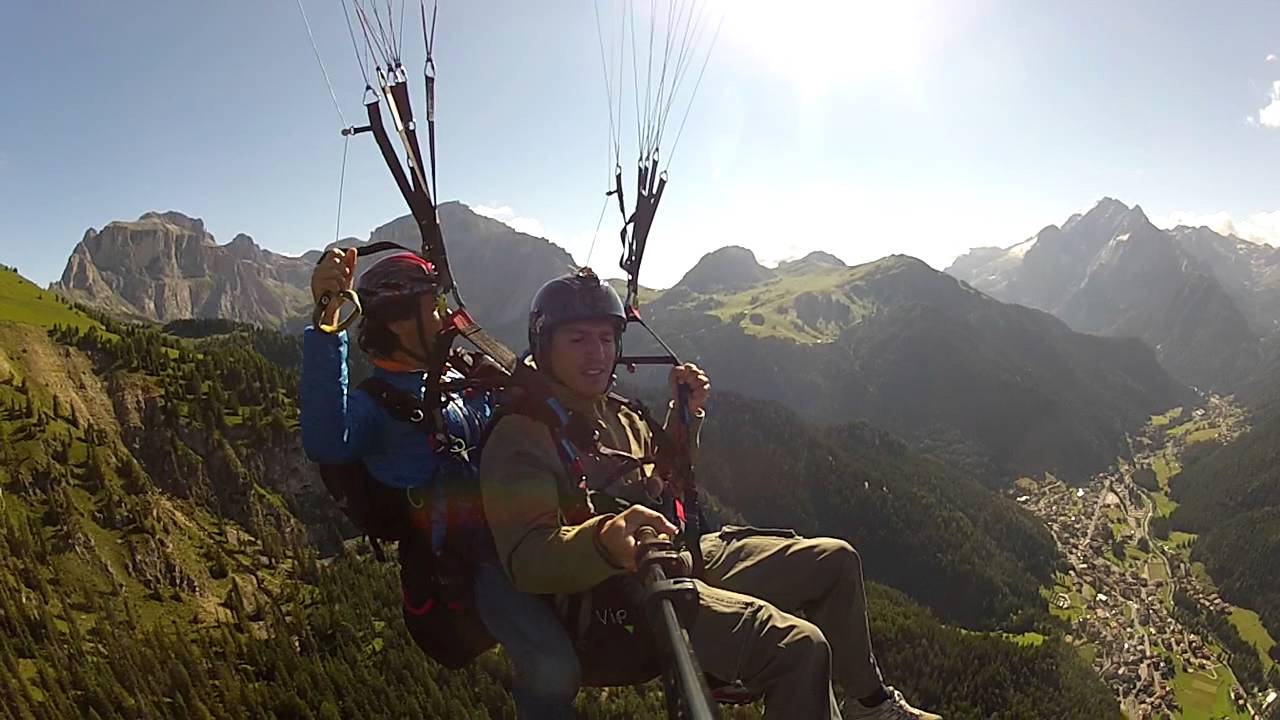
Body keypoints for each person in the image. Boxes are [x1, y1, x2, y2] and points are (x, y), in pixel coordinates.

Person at [479, 268, 942, 720]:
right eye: (578, 339)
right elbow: (526, 558)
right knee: (798, 648)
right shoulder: (524, 433)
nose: (596, 353)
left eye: (605, 338)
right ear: (545, 345)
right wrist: (603, 541)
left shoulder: (615, 411)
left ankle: (869, 704)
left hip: (679, 553)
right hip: (623, 596)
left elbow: (667, 481)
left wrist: (686, 416)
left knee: (836, 560)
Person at [301, 248, 580, 720]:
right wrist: (328, 323)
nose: (444, 316)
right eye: (432, 307)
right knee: (554, 666)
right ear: (400, 323)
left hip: (521, 528)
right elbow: (327, 438)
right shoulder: (376, 408)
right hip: (467, 565)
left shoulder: (459, 375)